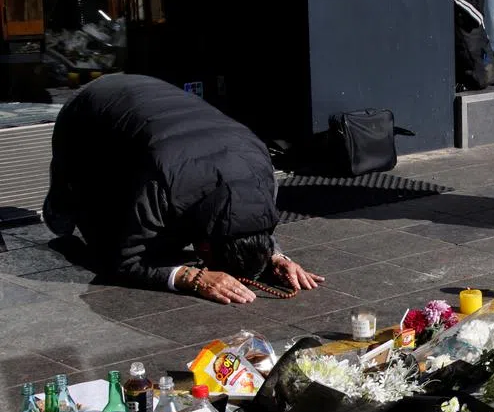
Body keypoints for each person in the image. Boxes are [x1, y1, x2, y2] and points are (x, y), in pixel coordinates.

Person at [43, 74, 323, 304]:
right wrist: (192, 278)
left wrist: (274, 256)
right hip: (88, 114)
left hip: (158, 111)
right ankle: (61, 201)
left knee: (168, 225)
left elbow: (248, 223)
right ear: (203, 247)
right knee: (77, 220)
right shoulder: (161, 182)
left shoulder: (260, 173)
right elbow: (122, 259)